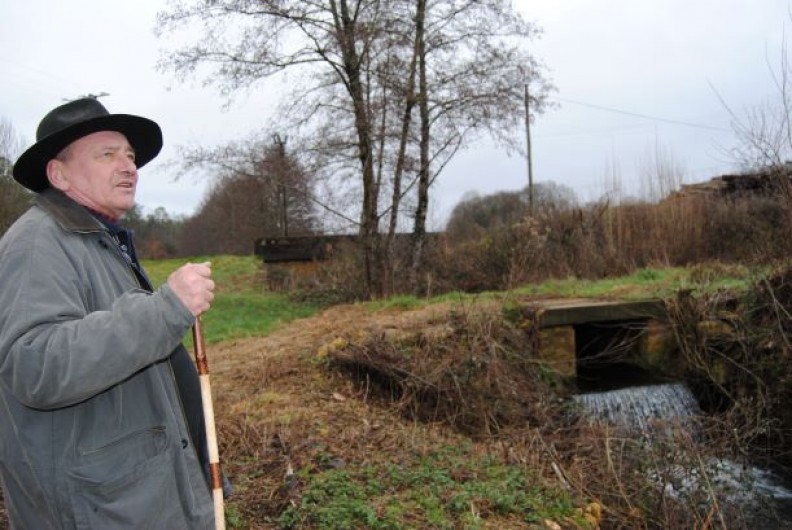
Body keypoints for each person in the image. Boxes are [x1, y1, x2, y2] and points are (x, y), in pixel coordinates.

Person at [0, 97, 218, 528]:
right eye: (107, 155)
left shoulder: (99, 240)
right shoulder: (37, 244)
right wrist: (165, 310)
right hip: (100, 510)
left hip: (136, 500)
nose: (129, 167)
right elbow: (35, 363)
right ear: (58, 174)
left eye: (131, 156)